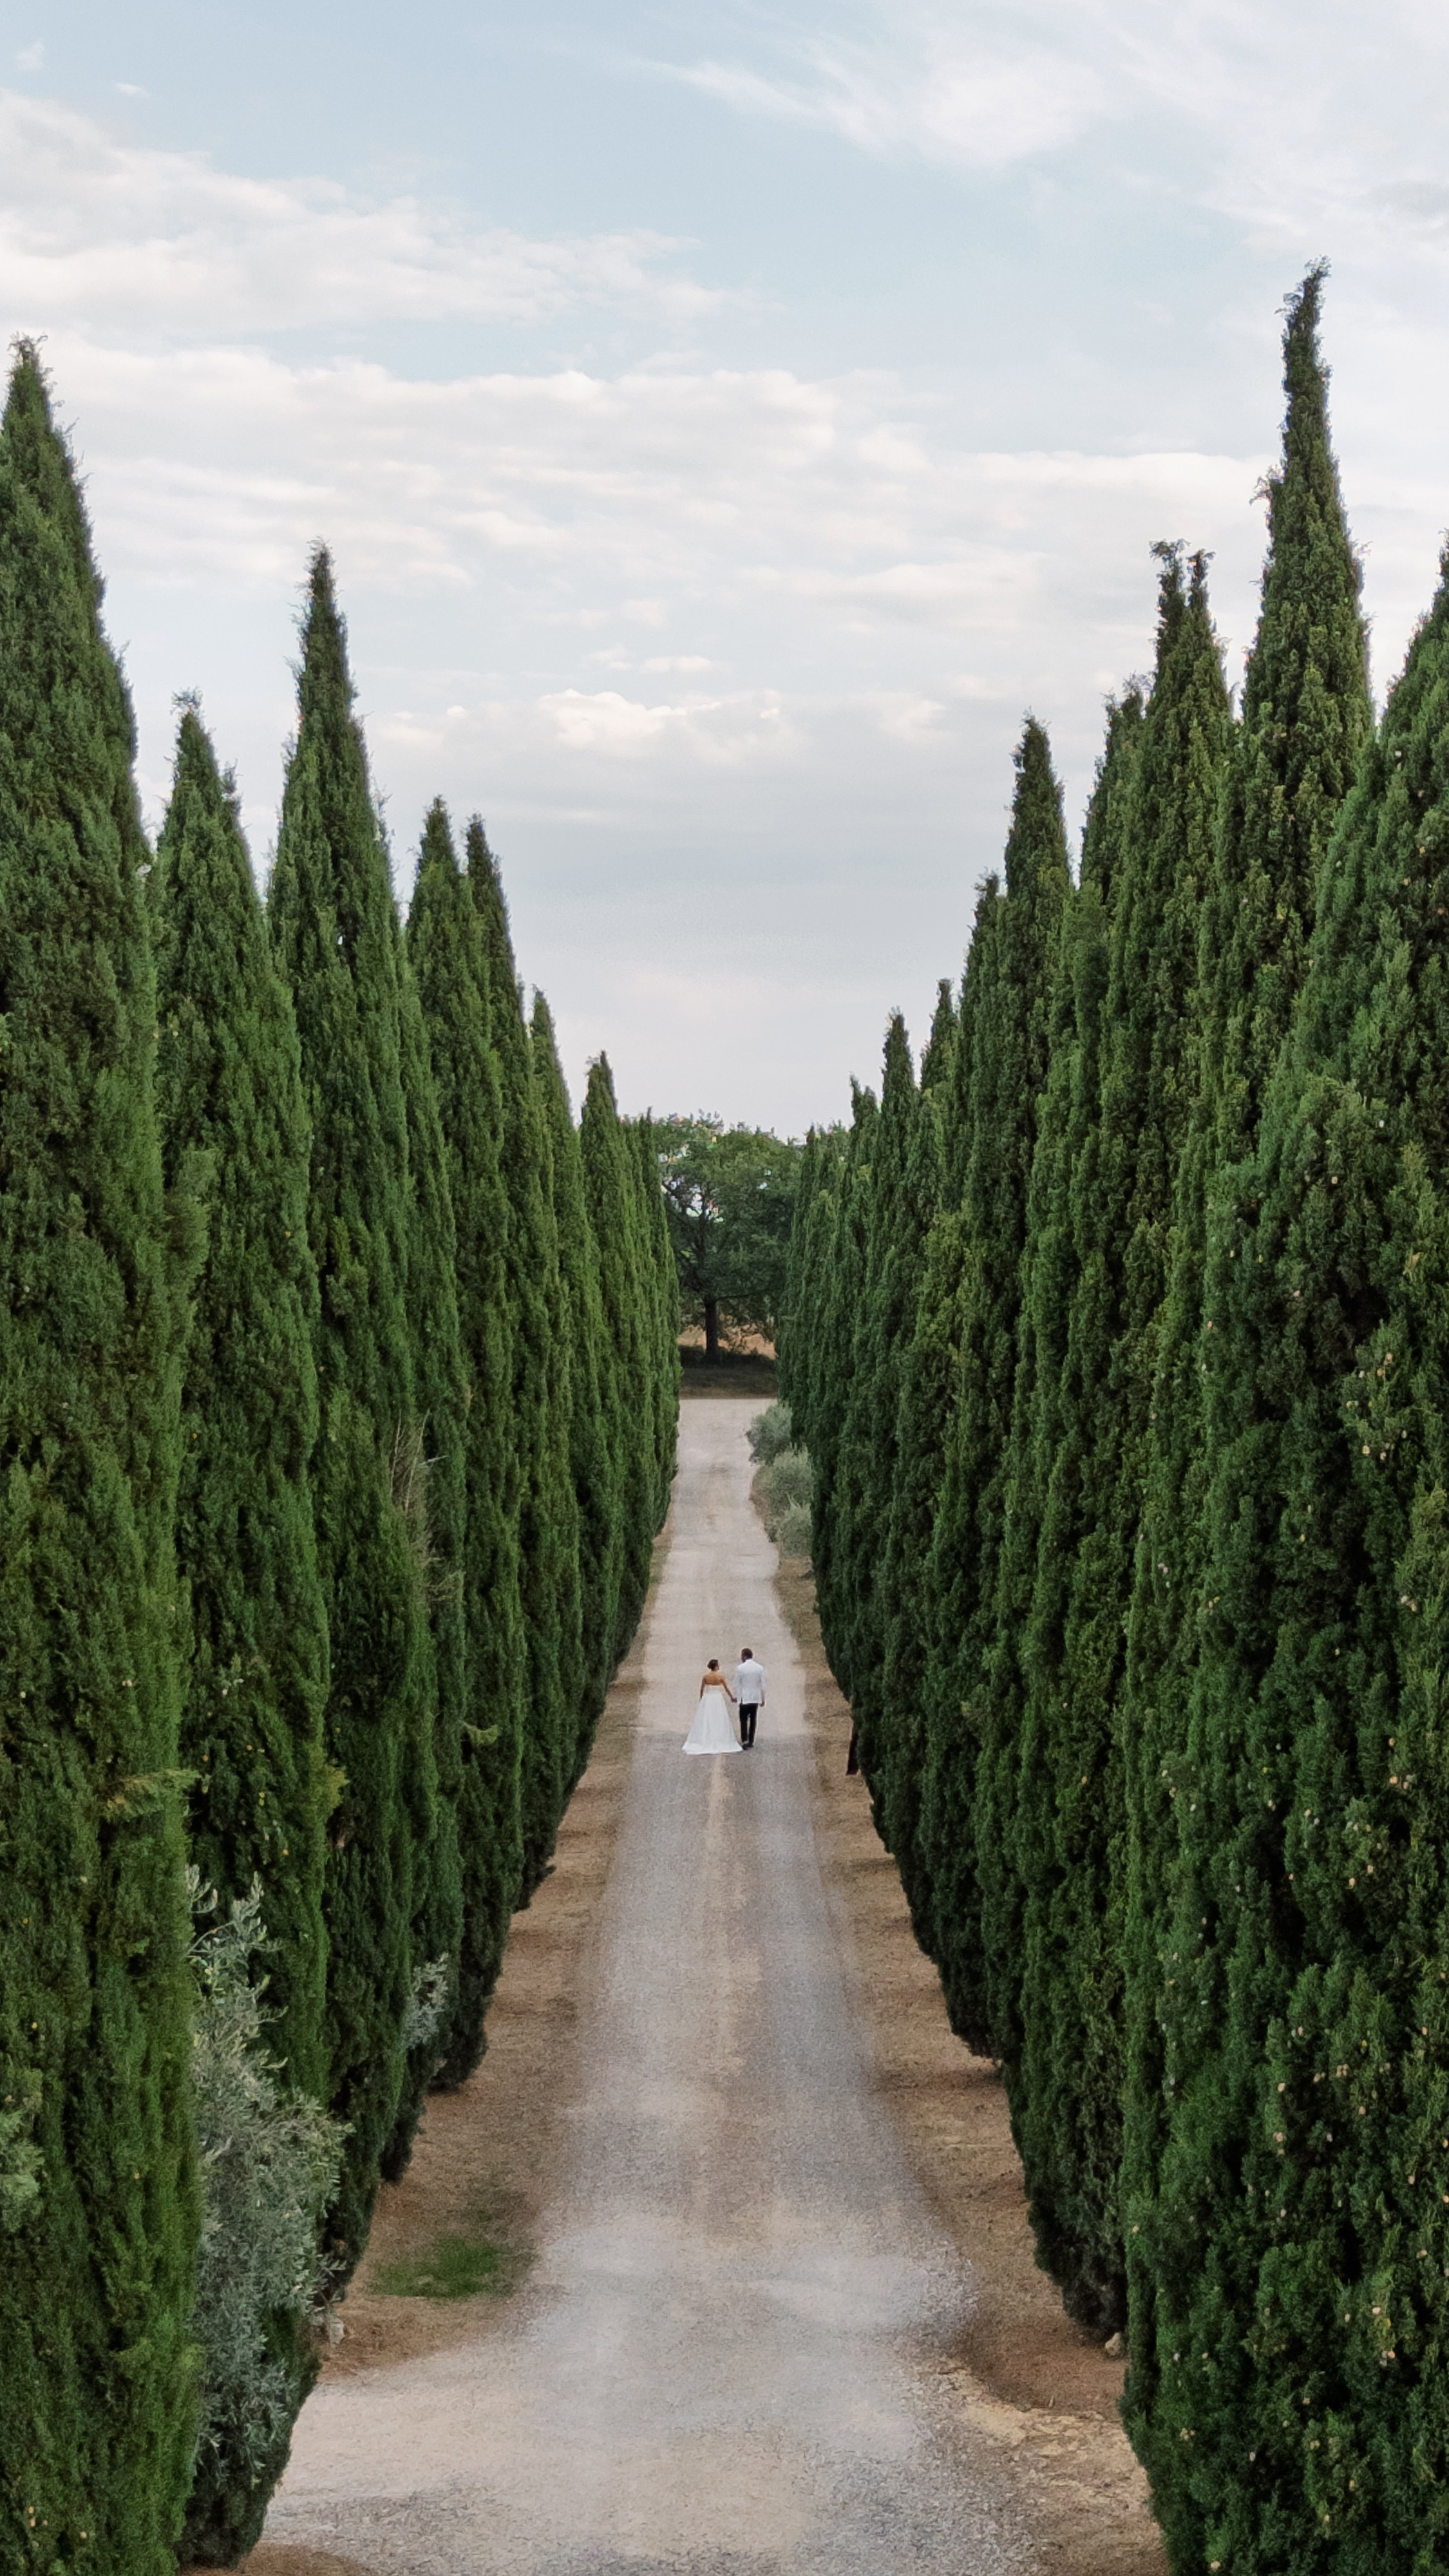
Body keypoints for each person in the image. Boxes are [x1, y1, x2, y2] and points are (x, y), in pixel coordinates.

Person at [683, 1658, 741, 1755]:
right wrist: (732, 1697)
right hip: (717, 1698)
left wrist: (701, 1699)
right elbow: (726, 1688)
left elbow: (702, 1689)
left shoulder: (706, 1676)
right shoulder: (720, 1676)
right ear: (716, 1666)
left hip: (708, 1697)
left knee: (707, 1717)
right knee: (719, 1717)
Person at [732, 1647, 766, 1749]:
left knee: (743, 1719)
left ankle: (745, 1740)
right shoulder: (760, 1668)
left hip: (744, 1698)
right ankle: (751, 1740)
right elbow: (763, 1685)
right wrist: (763, 1698)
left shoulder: (740, 1668)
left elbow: (736, 1684)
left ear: (744, 1656)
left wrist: (736, 1697)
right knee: (753, 1719)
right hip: (755, 1698)